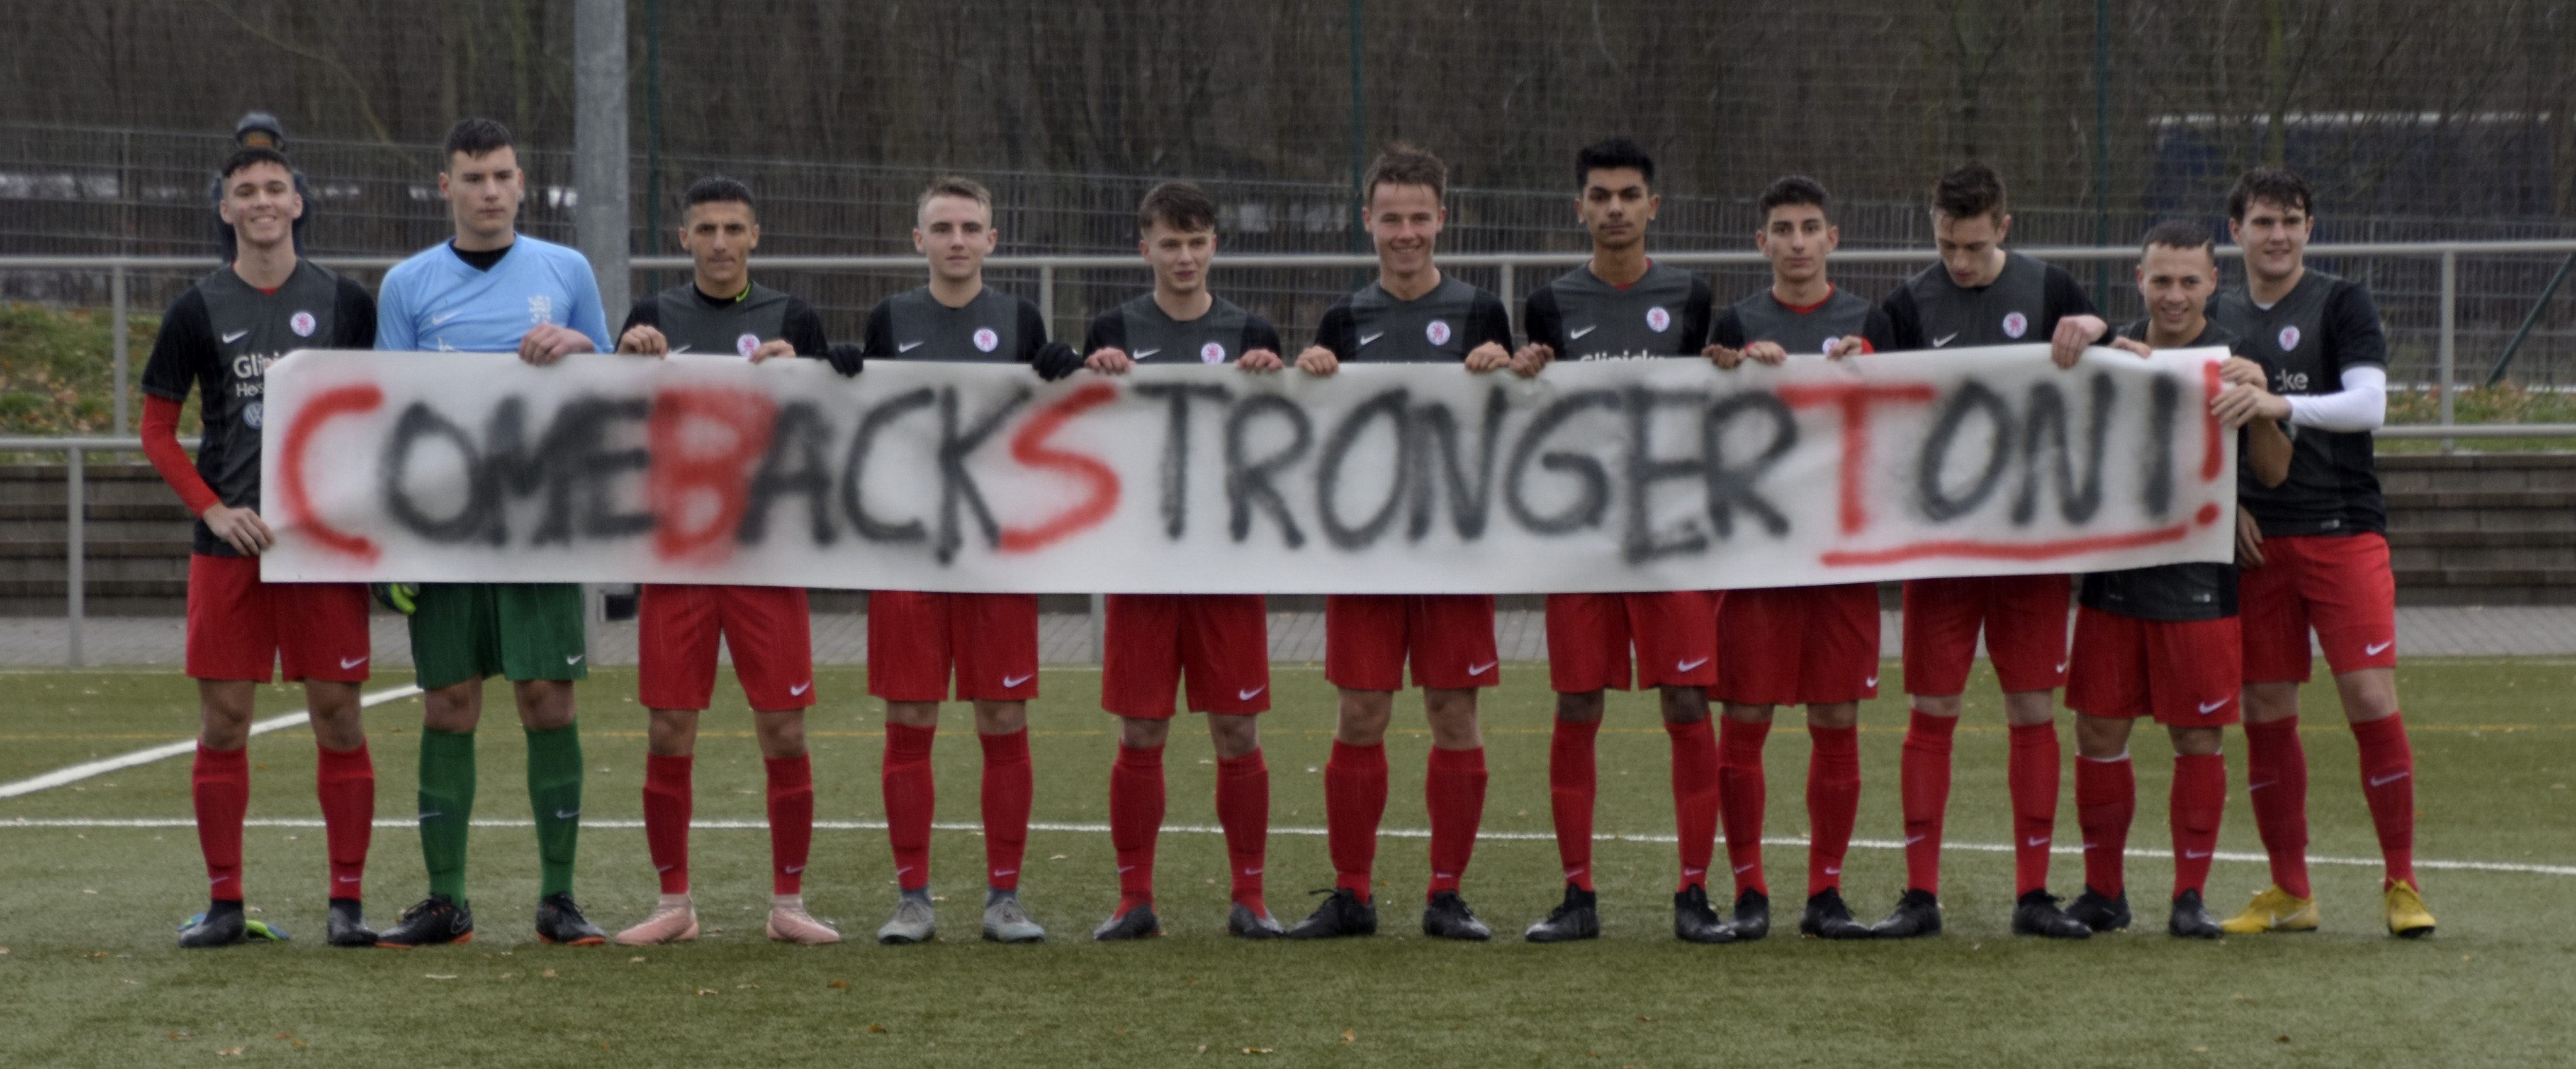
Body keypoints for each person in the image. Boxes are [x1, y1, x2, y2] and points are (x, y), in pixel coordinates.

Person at [371, 117, 615, 949]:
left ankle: (559, 897)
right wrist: (391, 539)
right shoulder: (407, 284)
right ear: (447, 186)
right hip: (443, 531)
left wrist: (582, 341)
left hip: (541, 525)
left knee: (548, 699)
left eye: (503, 176)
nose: (489, 191)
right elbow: (388, 411)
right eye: (472, 178)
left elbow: (614, 385)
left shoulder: (567, 270)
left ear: (522, 180)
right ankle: (447, 901)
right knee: (450, 703)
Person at [1866, 161, 2111, 941]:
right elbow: (1866, 405)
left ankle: (2034, 894)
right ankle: (1919, 895)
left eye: (1973, 246)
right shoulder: (1906, 305)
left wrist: (2103, 331)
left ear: (2004, 226)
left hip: (2031, 550)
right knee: (1932, 709)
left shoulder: (2053, 292)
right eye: (1947, 245)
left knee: (2032, 709)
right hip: (1940, 552)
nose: (1961, 263)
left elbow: (2129, 372)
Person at [146, 144, 380, 949]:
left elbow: (380, 410)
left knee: (339, 718)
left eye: (275, 188)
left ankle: (346, 904)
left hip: (321, 550)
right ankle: (225, 904)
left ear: (299, 202)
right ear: (225, 209)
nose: (262, 201)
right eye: (245, 191)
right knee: (223, 723)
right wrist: (212, 510)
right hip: (230, 549)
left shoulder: (348, 301)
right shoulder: (195, 308)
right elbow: (157, 429)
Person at [1283, 145, 1515, 943]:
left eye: (1420, 217)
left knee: (1455, 713)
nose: (1406, 232)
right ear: (1368, 222)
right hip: (1369, 553)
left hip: (1455, 550)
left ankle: (1446, 894)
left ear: (1441, 219)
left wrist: (1505, 370)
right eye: (1391, 218)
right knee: (1361, 712)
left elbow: (1511, 428)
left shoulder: (1484, 312)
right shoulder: (1343, 321)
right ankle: (1352, 894)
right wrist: (1310, 374)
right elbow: (1317, 438)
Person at [1507, 139, 1732, 945]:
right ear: (1580, 209)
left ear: (1652, 207)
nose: (1614, 209)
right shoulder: (1548, 304)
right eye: (1599, 195)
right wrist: (1526, 371)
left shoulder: (1694, 296)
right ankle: (1577, 894)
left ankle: (1695, 893)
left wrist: (1728, 366)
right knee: (1577, 701)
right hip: (1581, 540)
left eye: (1629, 195)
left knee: (1687, 699)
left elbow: (1718, 399)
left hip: (1671, 536)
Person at [606, 176, 840, 947]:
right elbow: (614, 420)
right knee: (670, 729)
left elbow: (829, 422)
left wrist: (802, 369)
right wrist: (625, 358)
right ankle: (674, 905)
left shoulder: (792, 317)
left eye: (733, 229)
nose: (718, 243)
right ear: (682, 238)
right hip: (676, 555)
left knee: (784, 731)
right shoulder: (653, 316)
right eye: (704, 229)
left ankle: (789, 904)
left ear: (755, 236)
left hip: (767, 556)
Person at [2211, 168, 2436, 938]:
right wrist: (2226, 504)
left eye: (2293, 221)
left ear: (2310, 228)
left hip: (2343, 527)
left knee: (2370, 699)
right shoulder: (2214, 312)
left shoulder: (2343, 302)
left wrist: (2277, 400)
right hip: (2255, 543)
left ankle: (2402, 882)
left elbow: (2369, 404)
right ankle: (2291, 891)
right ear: (2235, 228)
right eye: (2265, 221)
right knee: (2265, 708)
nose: (2279, 235)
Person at [862, 176, 1083, 946]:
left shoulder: (1020, 318)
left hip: (997, 555)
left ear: (994, 240)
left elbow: (1048, 425)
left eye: (971, 227)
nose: (957, 240)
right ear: (916, 239)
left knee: (1003, 716)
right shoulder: (890, 319)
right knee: (910, 718)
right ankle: (913, 899)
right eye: (942, 227)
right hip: (910, 556)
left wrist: (1065, 366)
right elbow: (863, 424)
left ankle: (1004, 900)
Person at [2065, 220, 2294, 938]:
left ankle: (2188, 896)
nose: (2174, 294)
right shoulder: (2109, 353)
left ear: (2213, 283)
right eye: (2160, 279)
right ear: (2139, 280)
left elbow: (2275, 470)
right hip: (2113, 572)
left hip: (2199, 576)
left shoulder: (2235, 359)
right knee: (2100, 730)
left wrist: (2256, 411)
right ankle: (2104, 892)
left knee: (2198, 736)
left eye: (2189, 281)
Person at [1078, 181, 1289, 941]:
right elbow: (1087, 438)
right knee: (1141, 732)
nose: (1185, 257)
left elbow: (1281, 443)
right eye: (1170, 243)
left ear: (1215, 248)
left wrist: (1276, 380)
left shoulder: (1251, 331)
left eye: (1197, 243)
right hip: (1141, 563)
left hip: (1227, 564)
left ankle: (1251, 898)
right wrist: (1091, 375)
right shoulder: (1114, 329)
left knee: (1238, 730)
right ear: (1146, 250)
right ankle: (1135, 899)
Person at [1702, 175, 1897, 941]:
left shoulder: (1867, 321)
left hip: (1841, 558)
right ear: (1763, 243)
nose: (1796, 242)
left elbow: (1904, 421)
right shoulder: (1736, 320)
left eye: (1809, 227)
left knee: (1836, 718)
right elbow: (1704, 424)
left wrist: (1869, 364)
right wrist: (1734, 370)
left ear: (1832, 239)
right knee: (1745, 717)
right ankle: (1750, 889)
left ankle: (1826, 892)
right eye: (1781, 228)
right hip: (1757, 555)